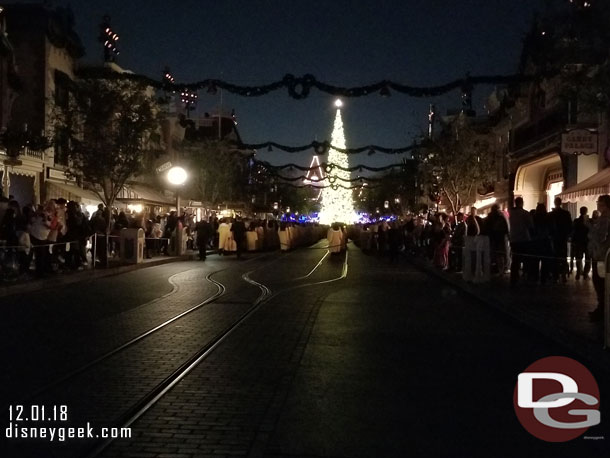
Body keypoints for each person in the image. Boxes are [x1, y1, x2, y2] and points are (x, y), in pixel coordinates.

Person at [589, 195, 610, 322]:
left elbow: (600, 237)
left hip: (601, 254)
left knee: (600, 282)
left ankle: (602, 309)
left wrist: (590, 228)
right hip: (605, 254)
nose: (597, 205)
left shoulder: (605, 219)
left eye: (599, 203)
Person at [508, 197, 534, 286]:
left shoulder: (511, 213)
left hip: (514, 239)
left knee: (515, 260)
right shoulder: (525, 213)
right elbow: (531, 226)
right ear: (522, 203)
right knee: (526, 259)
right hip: (524, 239)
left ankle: (514, 278)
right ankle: (526, 277)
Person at [548, 197, 572, 282]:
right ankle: (563, 275)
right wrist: (568, 235)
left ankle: (555, 275)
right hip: (563, 238)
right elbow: (570, 226)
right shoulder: (566, 213)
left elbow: (549, 227)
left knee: (554, 257)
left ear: (555, 203)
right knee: (563, 257)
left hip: (554, 238)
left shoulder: (551, 214)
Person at [572, 206, 591, 280]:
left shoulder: (576, 221)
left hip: (578, 242)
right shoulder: (589, 221)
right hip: (587, 241)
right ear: (586, 212)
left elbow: (573, 231)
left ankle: (578, 272)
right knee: (587, 258)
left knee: (578, 258)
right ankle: (586, 273)